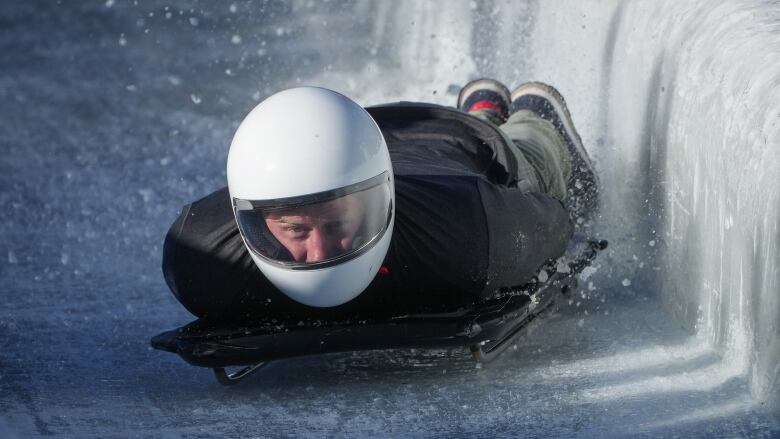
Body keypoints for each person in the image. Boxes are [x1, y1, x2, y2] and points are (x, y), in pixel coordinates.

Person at [161, 79, 598, 323]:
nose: (319, 253)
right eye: (295, 229)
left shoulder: (475, 234)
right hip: (364, 137)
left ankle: (526, 113)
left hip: (458, 148)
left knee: (530, 156)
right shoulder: (198, 258)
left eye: (335, 224)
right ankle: (481, 103)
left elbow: (557, 223)